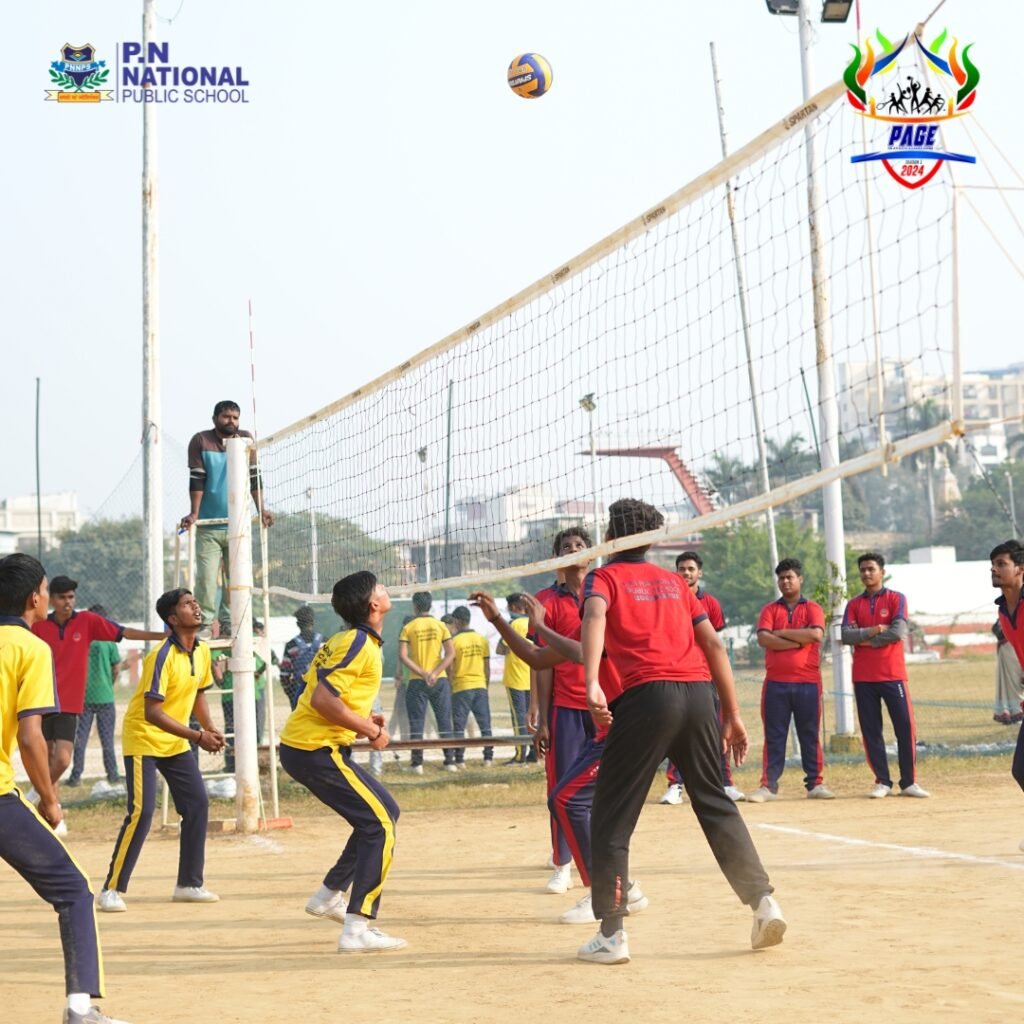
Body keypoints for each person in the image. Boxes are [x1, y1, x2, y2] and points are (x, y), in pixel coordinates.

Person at [577, 498, 785, 965]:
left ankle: (611, 934)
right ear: (651, 539)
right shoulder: (675, 581)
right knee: (714, 802)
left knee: (611, 815)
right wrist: (731, 712)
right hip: (697, 697)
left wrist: (591, 682)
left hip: (649, 697)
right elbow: (712, 642)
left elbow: (594, 616)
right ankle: (763, 903)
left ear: (612, 536)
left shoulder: (604, 577)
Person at [0, 554, 132, 1024]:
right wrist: (51, 802)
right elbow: (30, 735)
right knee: (74, 891)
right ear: (35, 596)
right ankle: (80, 1008)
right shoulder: (29, 647)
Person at [472, 587, 649, 926]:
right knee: (576, 800)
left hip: (627, 727)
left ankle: (607, 894)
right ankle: (614, 886)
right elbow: (538, 658)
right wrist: (496, 618)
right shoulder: (576, 625)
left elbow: (569, 652)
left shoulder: (609, 629)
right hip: (610, 726)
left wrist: (539, 625)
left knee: (568, 799)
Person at [278, 570, 405, 952]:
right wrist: (371, 731)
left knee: (383, 814)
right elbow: (322, 700)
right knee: (380, 825)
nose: (386, 590)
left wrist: (366, 720)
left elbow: (329, 694)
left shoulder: (349, 639)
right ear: (373, 605)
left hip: (308, 746)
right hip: (314, 749)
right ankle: (357, 927)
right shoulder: (359, 643)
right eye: (381, 588)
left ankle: (328, 895)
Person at [99, 589, 226, 913]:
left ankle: (189, 883)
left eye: (194, 601)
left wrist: (208, 727)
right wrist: (198, 737)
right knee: (141, 812)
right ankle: (111, 888)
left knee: (196, 803)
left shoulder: (202, 650)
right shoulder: (162, 655)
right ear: (172, 618)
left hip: (174, 741)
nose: (195, 606)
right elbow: (152, 712)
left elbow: (198, 694)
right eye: (187, 604)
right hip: (144, 738)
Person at [31, 576, 165, 828]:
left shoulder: (87, 621)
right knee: (48, 758)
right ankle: (53, 818)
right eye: (62, 597)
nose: (67, 602)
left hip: (69, 704)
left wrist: (161, 635)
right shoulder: (39, 626)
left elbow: (124, 632)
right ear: (53, 600)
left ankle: (37, 795)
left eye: (71, 597)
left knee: (62, 759)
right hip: (42, 699)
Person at [531, 527, 596, 895]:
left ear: (591, 553)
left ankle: (600, 856)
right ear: (558, 558)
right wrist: (540, 715)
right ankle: (563, 864)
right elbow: (541, 662)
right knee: (560, 788)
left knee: (603, 787)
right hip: (565, 707)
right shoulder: (545, 602)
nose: (573, 550)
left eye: (579, 545)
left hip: (601, 702)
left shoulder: (602, 591)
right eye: (566, 547)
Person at [178, 400, 274, 632]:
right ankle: (206, 623)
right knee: (207, 580)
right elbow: (197, 479)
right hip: (209, 525)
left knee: (237, 580)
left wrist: (262, 509)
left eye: (235, 417)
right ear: (215, 419)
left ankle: (232, 622)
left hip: (238, 526)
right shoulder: (201, 440)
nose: (231, 421)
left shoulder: (245, 440)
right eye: (226, 417)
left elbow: (254, 478)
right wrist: (194, 513)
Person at [660, 551, 745, 805]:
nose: (686, 573)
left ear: (700, 572)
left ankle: (725, 781)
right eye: (681, 569)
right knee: (678, 732)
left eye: (690, 569)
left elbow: (715, 642)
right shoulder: (668, 601)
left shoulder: (711, 604)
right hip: (678, 675)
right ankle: (676, 784)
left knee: (718, 730)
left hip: (706, 677)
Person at [841, 552, 929, 799]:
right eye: (863, 570)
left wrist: (866, 640)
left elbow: (898, 631)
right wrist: (874, 630)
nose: (866, 573)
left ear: (882, 571)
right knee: (871, 731)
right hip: (863, 678)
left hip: (893, 675)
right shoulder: (853, 604)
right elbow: (845, 636)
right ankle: (882, 781)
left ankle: (909, 782)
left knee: (904, 727)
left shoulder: (896, 599)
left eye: (871, 569)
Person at [749, 558, 834, 802]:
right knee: (775, 735)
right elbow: (764, 639)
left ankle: (815, 784)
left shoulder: (812, 608)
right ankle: (768, 786)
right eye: (782, 578)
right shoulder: (770, 610)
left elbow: (815, 634)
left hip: (807, 683)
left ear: (800, 579)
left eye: (790, 577)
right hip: (776, 683)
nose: (786, 581)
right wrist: (799, 641)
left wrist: (783, 634)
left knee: (809, 733)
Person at [990, 539, 1024, 850]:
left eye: (1002, 564)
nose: (994, 569)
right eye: (993, 565)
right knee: (1021, 769)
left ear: (1020, 569)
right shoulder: (1003, 612)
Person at [398, 591, 455, 773]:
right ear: (430, 605)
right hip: (439, 680)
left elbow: (402, 655)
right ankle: (450, 762)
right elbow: (450, 653)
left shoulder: (409, 627)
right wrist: (436, 672)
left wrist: (422, 673)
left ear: (414, 606)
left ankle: (417, 764)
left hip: (417, 680)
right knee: (444, 720)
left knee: (416, 722)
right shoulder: (440, 626)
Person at [67, 605, 122, 789]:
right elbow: (116, 668)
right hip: (105, 696)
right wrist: (109, 683)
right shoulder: (109, 641)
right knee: (107, 740)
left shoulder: (81, 640)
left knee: (80, 739)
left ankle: (76, 776)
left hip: (83, 697)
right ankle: (112, 775)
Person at [211, 619, 268, 773]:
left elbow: (214, 661)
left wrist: (220, 680)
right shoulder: (247, 639)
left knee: (234, 729)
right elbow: (267, 659)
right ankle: (248, 765)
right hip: (249, 691)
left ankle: (234, 765)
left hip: (236, 692)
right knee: (251, 728)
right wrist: (257, 673)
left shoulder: (226, 642)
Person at [448, 606, 493, 767]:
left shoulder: (454, 641)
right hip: (480, 685)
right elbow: (487, 666)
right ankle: (488, 757)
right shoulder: (481, 639)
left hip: (461, 687)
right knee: (485, 724)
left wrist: (451, 684)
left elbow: (451, 667)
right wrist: (485, 685)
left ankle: (459, 759)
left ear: (457, 621)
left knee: (459, 726)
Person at [498, 594, 534, 765]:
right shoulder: (533, 623)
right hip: (532, 678)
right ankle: (535, 754)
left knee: (518, 718)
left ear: (513, 607)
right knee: (533, 717)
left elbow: (500, 648)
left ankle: (520, 755)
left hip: (516, 679)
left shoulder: (512, 625)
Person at [279, 606, 325, 710]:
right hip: (322, 692)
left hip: (299, 692)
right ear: (313, 622)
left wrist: (290, 693)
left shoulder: (291, 645)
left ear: (297, 624)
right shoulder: (325, 641)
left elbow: (284, 674)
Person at [991, 618, 1024, 724]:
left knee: (1015, 684)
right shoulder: (1006, 613)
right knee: (1010, 685)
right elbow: (997, 630)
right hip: (1009, 652)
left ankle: (1017, 713)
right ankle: (1013, 713)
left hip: (1016, 651)